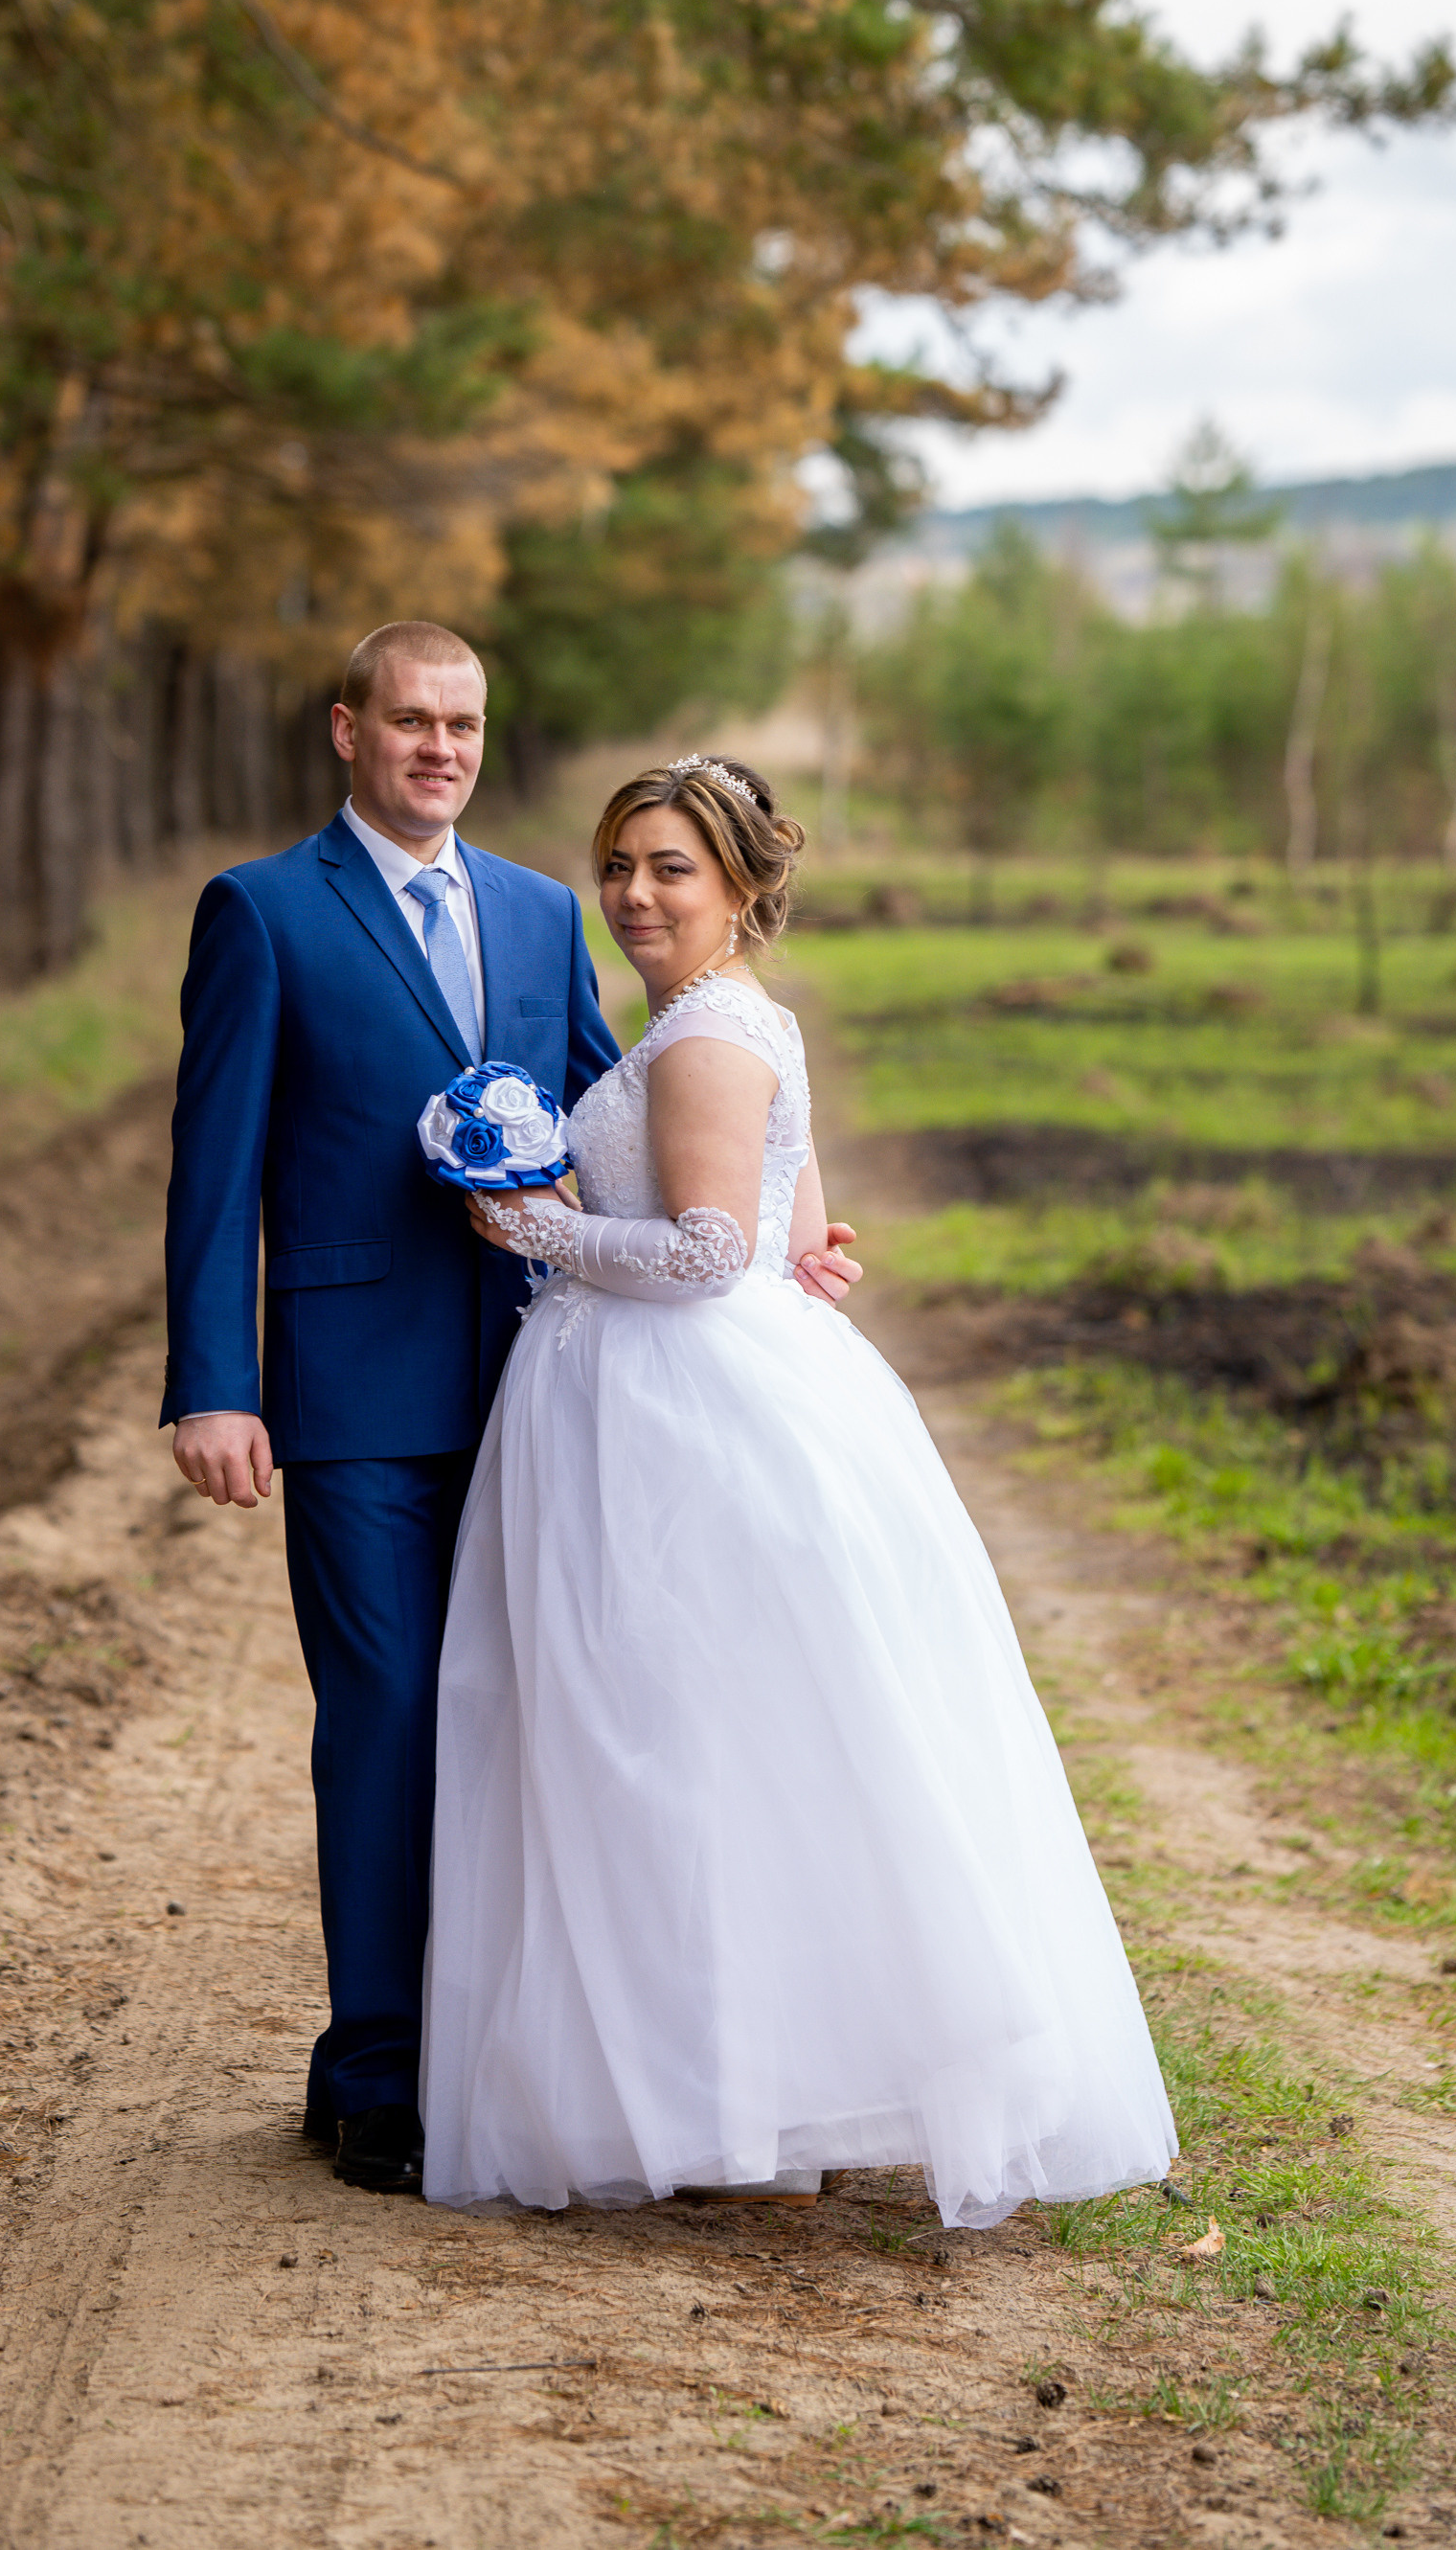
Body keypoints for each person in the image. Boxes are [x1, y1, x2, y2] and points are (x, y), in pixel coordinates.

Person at [421, 755, 1176, 2226]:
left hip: (675, 1412)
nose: (634, 895)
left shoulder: (707, 1036)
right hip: (687, 1395)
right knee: (732, 1746)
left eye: (670, 870)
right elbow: (799, 1230)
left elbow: (707, 1252)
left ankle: (717, 2090)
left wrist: (534, 1228)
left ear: (742, 887)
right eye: (619, 866)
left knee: (672, 1741)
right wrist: (792, 1255)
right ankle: (744, 2084)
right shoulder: (734, 1022)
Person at [161, 627, 859, 2197]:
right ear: (349, 732)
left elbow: (641, 1113)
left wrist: (789, 1229)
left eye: (462, 722)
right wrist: (214, 1381)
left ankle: (508, 2052)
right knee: (396, 1714)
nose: (438, 746)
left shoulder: (549, 917)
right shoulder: (264, 913)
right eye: (408, 720)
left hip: (554, 1392)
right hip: (355, 1397)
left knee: (537, 1728)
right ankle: (380, 2074)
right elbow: (210, 1174)